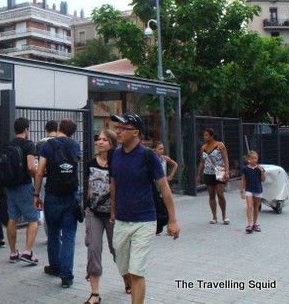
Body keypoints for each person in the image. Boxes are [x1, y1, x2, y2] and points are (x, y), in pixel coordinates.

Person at [109, 113, 180, 304]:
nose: (118, 131)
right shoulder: (114, 154)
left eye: (123, 128)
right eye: (117, 128)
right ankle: (129, 282)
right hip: (122, 220)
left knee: (137, 271)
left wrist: (173, 220)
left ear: (136, 133)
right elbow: (114, 183)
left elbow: (164, 188)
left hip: (145, 220)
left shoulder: (148, 156)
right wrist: (113, 210)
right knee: (123, 267)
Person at [83, 130, 130, 304]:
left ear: (111, 142)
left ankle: (127, 278)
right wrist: (86, 207)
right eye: (98, 139)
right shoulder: (90, 163)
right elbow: (87, 187)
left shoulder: (117, 163)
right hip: (94, 213)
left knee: (117, 250)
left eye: (104, 139)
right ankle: (95, 293)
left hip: (113, 215)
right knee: (93, 250)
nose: (100, 142)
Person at [34, 119, 81, 288]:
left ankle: (55, 266)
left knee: (53, 232)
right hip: (71, 194)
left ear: (59, 128)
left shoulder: (48, 145)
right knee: (69, 236)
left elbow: (39, 172)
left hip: (53, 194)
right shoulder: (75, 145)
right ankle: (67, 275)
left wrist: (36, 194)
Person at [3, 117, 39, 265]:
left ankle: (13, 253)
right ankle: (28, 252)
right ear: (26, 129)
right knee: (33, 219)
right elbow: (31, 166)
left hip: (9, 185)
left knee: (12, 218)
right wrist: (37, 174)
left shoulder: (7, 145)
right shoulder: (28, 144)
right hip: (24, 185)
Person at [196, 128, 231, 224]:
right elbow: (202, 162)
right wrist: (198, 175)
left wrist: (227, 172)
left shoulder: (220, 145)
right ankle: (214, 216)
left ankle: (224, 216)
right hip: (208, 172)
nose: (205, 137)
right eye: (204, 135)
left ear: (211, 136)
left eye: (206, 135)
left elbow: (225, 158)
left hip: (219, 171)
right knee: (211, 194)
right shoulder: (203, 147)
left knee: (220, 194)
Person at [35, 120, 58, 237]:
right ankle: (60, 232)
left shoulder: (40, 143)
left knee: (45, 205)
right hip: (58, 177)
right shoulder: (60, 142)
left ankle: (50, 234)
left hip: (44, 176)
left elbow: (37, 163)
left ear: (46, 130)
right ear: (57, 129)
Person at [241, 151, 265, 234]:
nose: (254, 160)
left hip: (258, 189)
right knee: (249, 206)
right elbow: (243, 179)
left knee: (256, 206)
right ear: (248, 159)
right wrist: (242, 190)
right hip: (249, 189)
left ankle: (255, 223)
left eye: (255, 158)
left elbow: (263, 179)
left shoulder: (259, 168)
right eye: (252, 158)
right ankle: (249, 224)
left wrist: (262, 171)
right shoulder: (245, 168)